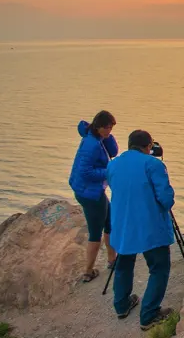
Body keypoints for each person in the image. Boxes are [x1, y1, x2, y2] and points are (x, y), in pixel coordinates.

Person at [107, 130, 176, 331]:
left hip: (123, 225)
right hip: (150, 226)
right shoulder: (153, 164)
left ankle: (121, 305)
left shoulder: (113, 165)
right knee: (159, 267)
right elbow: (165, 199)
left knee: (124, 264)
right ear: (148, 147)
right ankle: (149, 314)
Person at [68, 110, 118, 283]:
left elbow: (113, 152)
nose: (109, 130)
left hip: (93, 190)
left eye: (111, 127)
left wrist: (108, 137)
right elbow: (86, 171)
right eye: (107, 128)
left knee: (110, 221)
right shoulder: (92, 144)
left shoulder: (98, 139)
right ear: (98, 126)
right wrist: (109, 171)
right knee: (95, 232)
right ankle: (88, 271)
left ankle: (112, 259)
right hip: (90, 192)